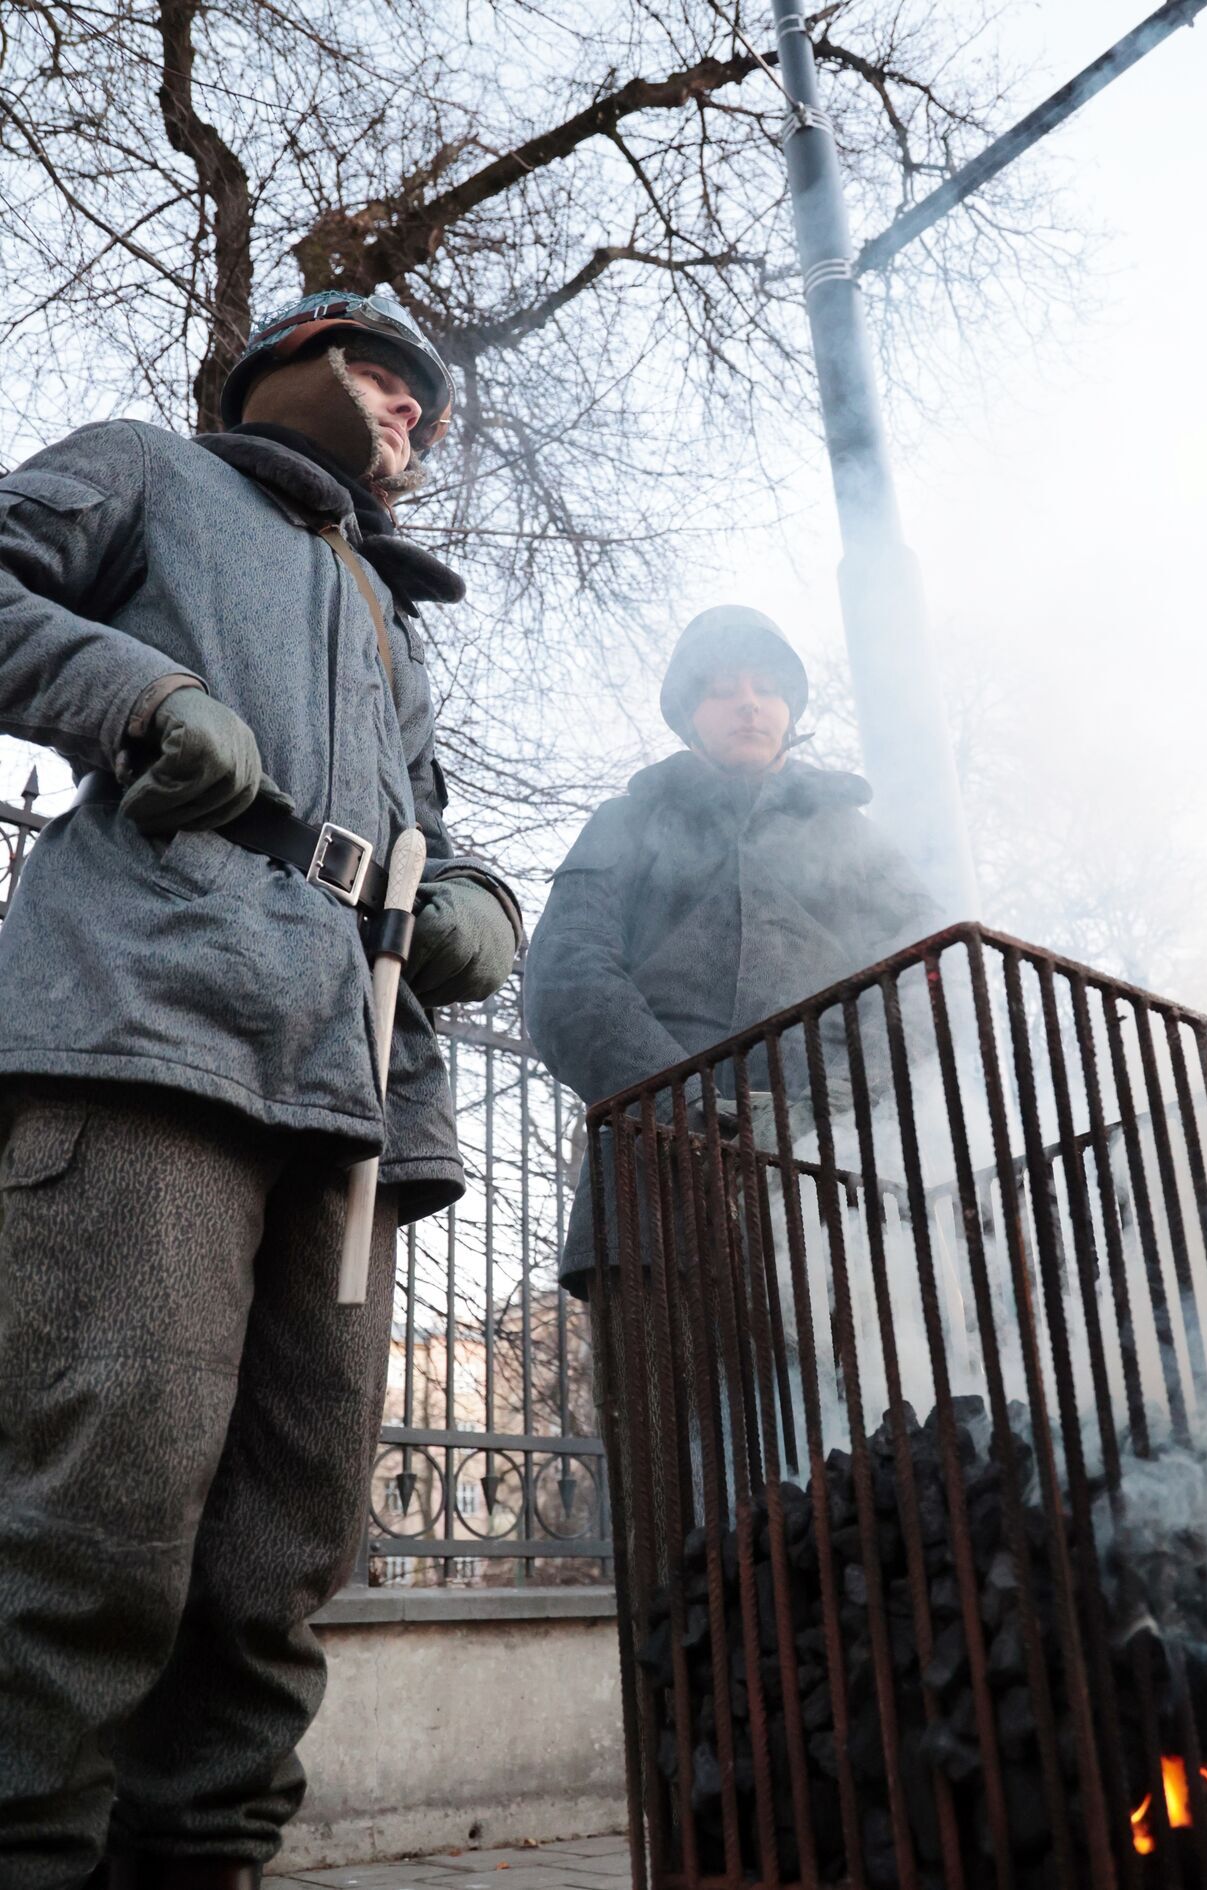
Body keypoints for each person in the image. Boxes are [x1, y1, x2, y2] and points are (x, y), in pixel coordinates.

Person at [0, 290, 522, 1889]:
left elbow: (437, 819)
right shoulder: (146, 471)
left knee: (279, 1556)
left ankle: (208, 1859)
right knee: (102, 1509)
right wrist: (139, 698)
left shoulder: (387, 616)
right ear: (284, 367)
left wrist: (490, 910)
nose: (411, 410)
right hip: (148, 1025)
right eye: (384, 373)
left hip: (353, 1097)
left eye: (427, 400)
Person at [524, 603, 939, 1300]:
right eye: (721, 689)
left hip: (844, 1192)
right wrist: (688, 1107)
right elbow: (571, 979)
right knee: (669, 1410)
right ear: (691, 714)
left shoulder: (857, 843)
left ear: (789, 709)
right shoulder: (627, 823)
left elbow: (927, 981)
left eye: (766, 687)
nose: (747, 703)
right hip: (655, 1196)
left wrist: (835, 1104)